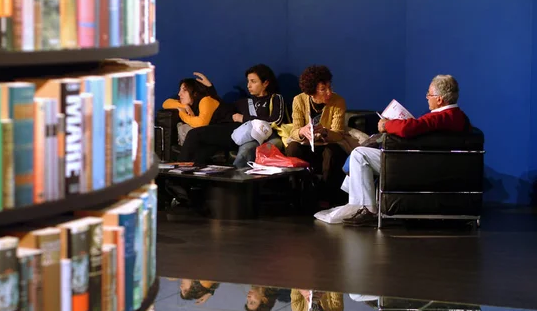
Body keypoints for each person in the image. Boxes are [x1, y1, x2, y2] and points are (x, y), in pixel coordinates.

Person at [342, 74, 471, 227]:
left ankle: (367, 209)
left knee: (359, 154)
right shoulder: (460, 117)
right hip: (432, 164)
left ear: (440, 99)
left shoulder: (440, 117)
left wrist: (385, 125)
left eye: (429, 94)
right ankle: (361, 202)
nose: (426, 97)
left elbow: (408, 128)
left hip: (414, 165)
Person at [287, 66, 366, 206]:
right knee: (292, 148)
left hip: (327, 144)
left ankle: (325, 197)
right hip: (306, 144)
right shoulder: (298, 100)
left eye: (330, 87)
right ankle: (297, 192)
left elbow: (338, 134)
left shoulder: (338, 101)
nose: (329, 92)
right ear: (311, 91)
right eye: (323, 89)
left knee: (332, 152)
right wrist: (302, 131)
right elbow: (294, 131)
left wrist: (324, 132)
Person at [178, 65, 287, 165]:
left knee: (195, 135)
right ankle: (187, 180)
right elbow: (224, 111)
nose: (248, 85)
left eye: (253, 81)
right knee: (201, 146)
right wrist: (211, 89)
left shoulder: (275, 98)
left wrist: (243, 118)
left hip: (263, 136)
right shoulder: (245, 102)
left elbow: (275, 120)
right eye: (248, 81)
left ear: (265, 83)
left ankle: (178, 174)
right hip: (237, 134)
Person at [162, 78, 232, 145]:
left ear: (194, 93)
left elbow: (201, 123)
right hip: (204, 136)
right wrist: (185, 107)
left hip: (222, 135)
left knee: (184, 128)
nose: (179, 94)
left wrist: (183, 114)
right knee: (181, 127)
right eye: (180, 90)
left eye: (184, 90)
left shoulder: (206, 100)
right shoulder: (187, 102)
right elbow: (166, 103)